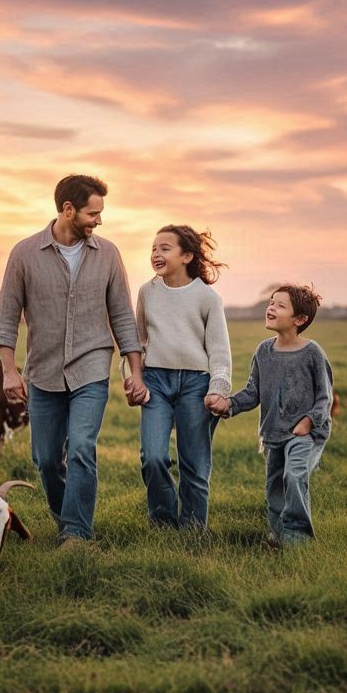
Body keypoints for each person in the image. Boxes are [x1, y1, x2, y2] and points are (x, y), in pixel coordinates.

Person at [0, 174, 147, 545]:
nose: (99, 221)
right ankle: (67, 520)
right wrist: (10, 372)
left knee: (80, 448)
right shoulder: (24, 254)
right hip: (43, 371)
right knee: (45, 459)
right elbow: (7, 315)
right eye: (93, 213)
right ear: (68, 210)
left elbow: (122, 315)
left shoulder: (107, 254)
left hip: (91, 367)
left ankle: (77, 533)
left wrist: (135, 372)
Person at [208, 284, 333, 547]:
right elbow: (254, 392)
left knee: (294, 474)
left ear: (300, 319)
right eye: (271, 302)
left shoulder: (312, 353)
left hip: (306, 432)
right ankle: (278, 536)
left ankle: (298, 538)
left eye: (280, 305)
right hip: (274, 432)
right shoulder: (263, 351)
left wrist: (308, 422)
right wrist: (229, 405)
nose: (271, 307)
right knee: (275, 484)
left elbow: (325, 398)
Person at [135, 225, 232, 530]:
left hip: (196, 385)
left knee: (194, 463)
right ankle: (162, 523)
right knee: (153, 457)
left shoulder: (207, 298)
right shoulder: (146, 292)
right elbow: (137, 343)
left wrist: (218, 388)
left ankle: (192, 531)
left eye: (164, 248)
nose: (156, 254)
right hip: (155, 383)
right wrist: (132, 378)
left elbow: (219, 351)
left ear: (186, 255)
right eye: (153, 248)